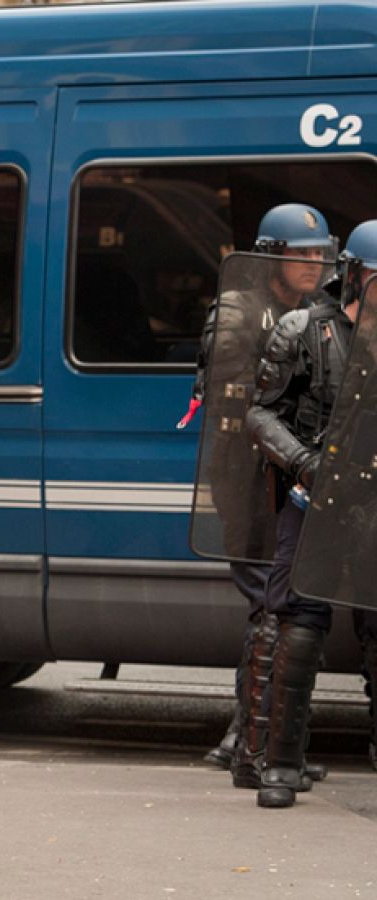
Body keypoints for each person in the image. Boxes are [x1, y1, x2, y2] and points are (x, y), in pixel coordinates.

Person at [189, 205, 336, 786]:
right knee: (269, 606)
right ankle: (252, 742)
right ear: (272, 255)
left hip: (288, 477)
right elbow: (233, 395)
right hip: (248, 476)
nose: (313, 262)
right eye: (301, 253)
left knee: (279, 607)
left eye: (319, 252)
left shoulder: (310, 312)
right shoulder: (238, 309)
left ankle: (259, 740)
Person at [243, 218, 376, 809]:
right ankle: (280, 764)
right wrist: (301, 462)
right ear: (354, 276)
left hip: (372, 500)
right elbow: (259, 413)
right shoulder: (303, 330)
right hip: (314, 492)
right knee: (298, 623)